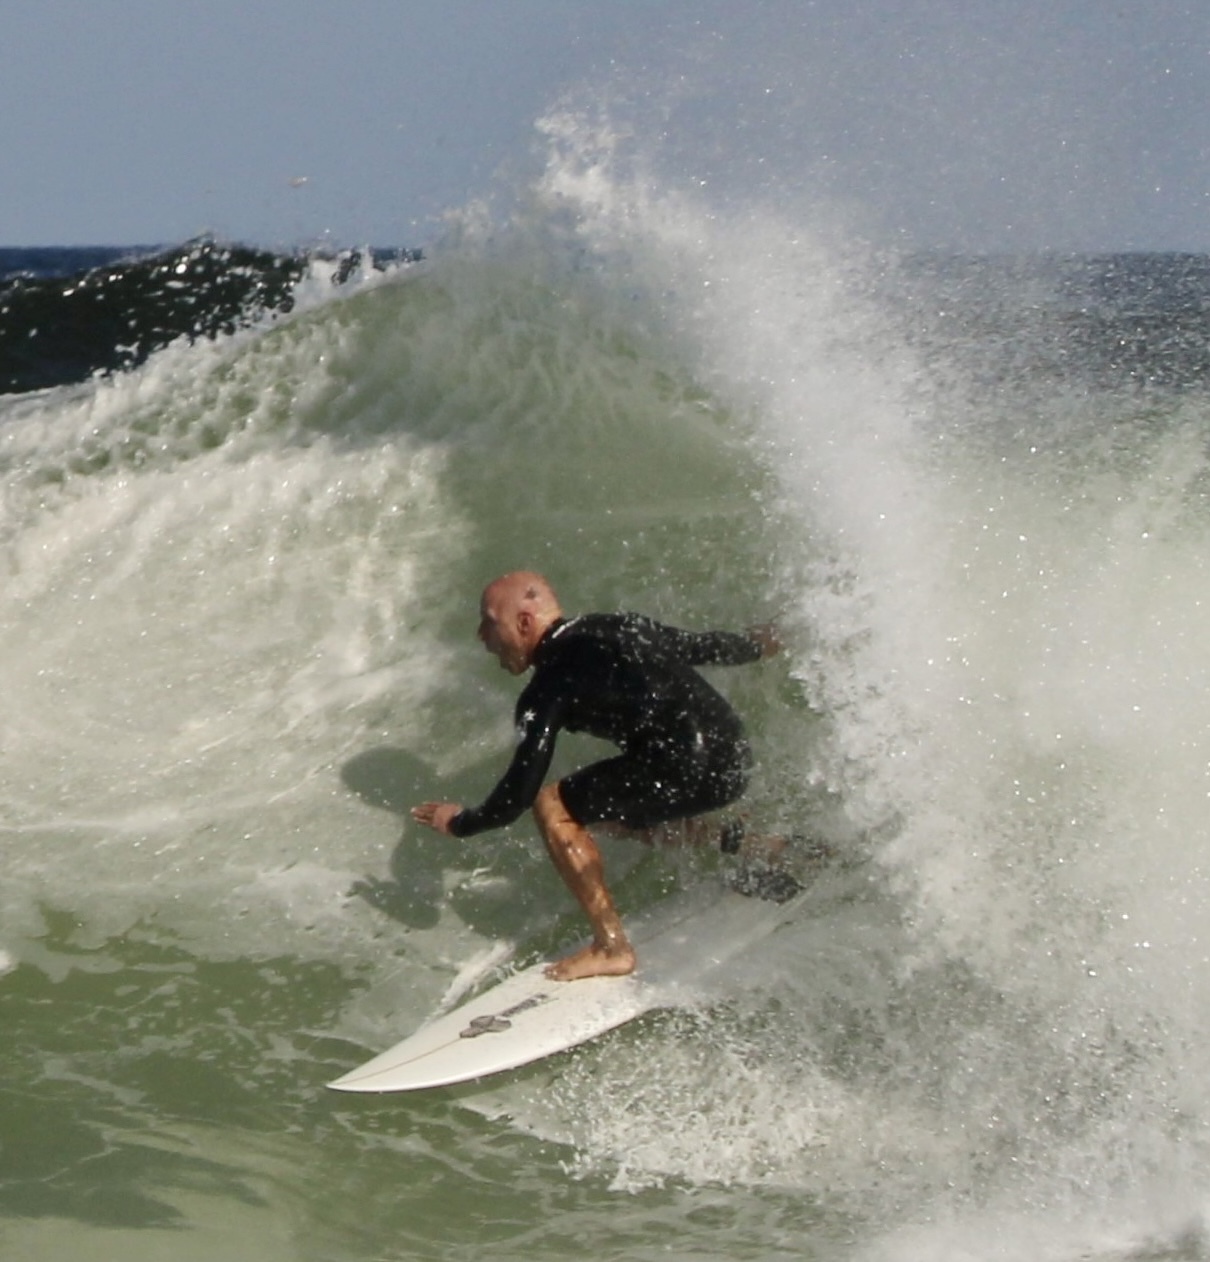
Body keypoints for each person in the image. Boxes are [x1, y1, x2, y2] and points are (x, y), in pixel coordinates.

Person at [411, 571, 781, 982]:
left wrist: (461, 822)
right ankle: (766, 846)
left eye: (489, 622)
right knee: (607, 812)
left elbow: (517, 795)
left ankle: (611, 947)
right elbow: (703, 646)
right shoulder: (620, 625)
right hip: (733, 758)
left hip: (684, 767)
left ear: (524, 623)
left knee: (553, 805)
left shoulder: (548, 685)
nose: (482, 636)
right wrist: (758, 644)